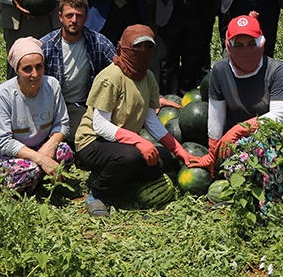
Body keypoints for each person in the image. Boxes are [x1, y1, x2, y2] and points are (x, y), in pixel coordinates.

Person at [74, 25, 197, 217]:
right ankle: (97, 194)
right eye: (137, 47)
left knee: (162, 160)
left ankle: (118, 179)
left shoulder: (147, 77)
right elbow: (100, 125)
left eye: (148, 47)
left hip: (122, 142)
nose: (143, 52)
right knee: (130, 156)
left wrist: (180, 151)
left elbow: (151, 120)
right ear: (122, 48)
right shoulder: (111, 77)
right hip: (93, 142)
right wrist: (140, 141)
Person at [192, 13, 283, 215]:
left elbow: (278, 116)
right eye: (239, 45)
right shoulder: (220, 70)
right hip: (238, 140)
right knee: (236, 164)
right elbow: (216, 115)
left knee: (262, 157)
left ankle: (269, 208)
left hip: (275, 135)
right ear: (228, 45)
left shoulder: (277, 71)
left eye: (251, 43)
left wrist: (239, 129)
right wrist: (212, 154)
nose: (246, 50)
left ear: (261, 42)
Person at [0, 37, 73, 194]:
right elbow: (3, 141)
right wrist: (40, 159)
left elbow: (62, 123)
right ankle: (33, 178)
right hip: (9, 151)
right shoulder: (3, 94)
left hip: (41, 144)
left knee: (65, 153)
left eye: (39, 66)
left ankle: (36, 177)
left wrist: (51, 144)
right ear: (17, 70)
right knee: (28, 171)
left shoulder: (52, 86)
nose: (35, 74)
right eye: (27, 69)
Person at [39, 0, 117, 145]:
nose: (74, 20)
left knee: (82, 137)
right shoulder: (45, 45)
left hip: (79, 105)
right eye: (69, 15)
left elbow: (121, 69)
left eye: (79, 15)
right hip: (50, 106)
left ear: (86, 18)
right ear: (60, 16)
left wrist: (155, 97)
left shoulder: (98, 43)